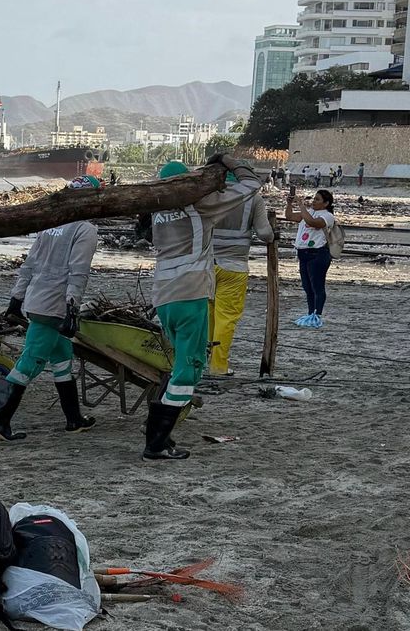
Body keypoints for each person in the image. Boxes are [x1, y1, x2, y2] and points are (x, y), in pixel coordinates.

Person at [144, 155, 262, 461]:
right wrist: (226, 161)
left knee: (179, 365)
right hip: (191, 293)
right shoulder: (201, 207)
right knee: (189, 370)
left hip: (163, 297)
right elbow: (251, 184)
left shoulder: (156, 211)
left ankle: (158, 437)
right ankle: (156, 442)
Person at [0, 176, 100, 442]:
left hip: (36, 299)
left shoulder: (52, 225)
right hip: (54, 306)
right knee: (28, 364)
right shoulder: (85, 229)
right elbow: (78, 272)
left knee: (62, 357)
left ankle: (74, 419)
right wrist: (72, 308)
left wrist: (17, 298)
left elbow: (30, 263)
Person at [207, 185, 274, 375]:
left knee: (208, 314)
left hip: (206, 265)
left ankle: (202, 360)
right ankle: (218, 366)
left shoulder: (210, 193)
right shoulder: (252, 198)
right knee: (226, 318)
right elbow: (265, 233)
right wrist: (272, 235)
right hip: (234, 267)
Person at [286, 189, 335, 328]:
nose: (314, 201)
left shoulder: (327, 216)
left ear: (326, 203)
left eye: (317, 199)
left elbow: (312, 222)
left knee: (317, 286)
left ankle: (317, 314)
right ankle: (310, 313)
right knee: (307, 286)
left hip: (318, 254)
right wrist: (289, 204)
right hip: (304, 253)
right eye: (314, 198)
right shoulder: (309, 212)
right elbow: (290, 216)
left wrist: (301, 205)